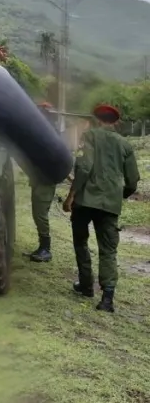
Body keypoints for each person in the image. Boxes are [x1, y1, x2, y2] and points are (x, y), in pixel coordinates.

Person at [63, 103, 140, 313]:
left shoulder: (88, 137)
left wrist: (71, 195)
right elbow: (133, 180)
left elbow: (84, 167)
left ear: (96, 119)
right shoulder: (124, 144)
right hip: (110, 205)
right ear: (115, 122)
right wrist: (118, 195)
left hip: (85, 201)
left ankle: (86, 286)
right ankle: (107, 299)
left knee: (81, 241)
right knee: (108, 250)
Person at [27, 101, 61, 263]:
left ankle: (46, 249)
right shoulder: (46, 131)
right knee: (38, 213)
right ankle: (43, 247)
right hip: (41, 178)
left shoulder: (49, 132)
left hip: (45, 179)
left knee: (40, 214)